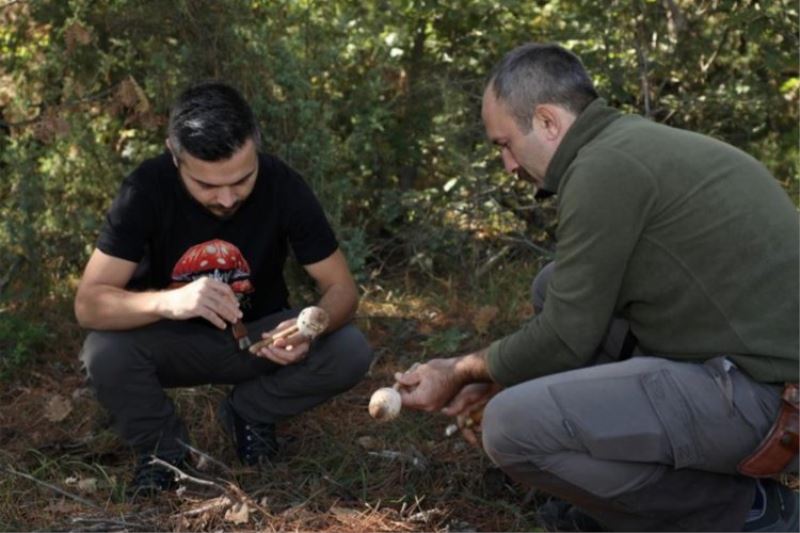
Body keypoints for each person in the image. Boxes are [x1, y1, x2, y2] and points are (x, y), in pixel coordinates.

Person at [395, 43, 799, 532]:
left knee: (511, 428)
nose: (508, 166)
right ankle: (633, 494)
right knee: (552, 285)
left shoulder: (602, 169)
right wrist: (500, 370)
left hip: (773, 405)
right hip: (756, 373)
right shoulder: (625, 144)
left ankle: (743, 510)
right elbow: (571, 314)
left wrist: (459, 370)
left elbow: (566, 337)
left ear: (547, 122)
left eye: (504, 144)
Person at [74, 82, 373, 495]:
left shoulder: (283, 185)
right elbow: (89, 304)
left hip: (260, 339)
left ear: (256, 147)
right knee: (104, 352)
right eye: (207, 185)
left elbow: (342, 289)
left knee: (350, 349)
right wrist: (170, 301)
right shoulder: (145, 189)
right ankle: (164, 452)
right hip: (171, 343)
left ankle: (249, 412)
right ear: (174, 155)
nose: (228, 198)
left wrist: (309, 329)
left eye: (242, 179)